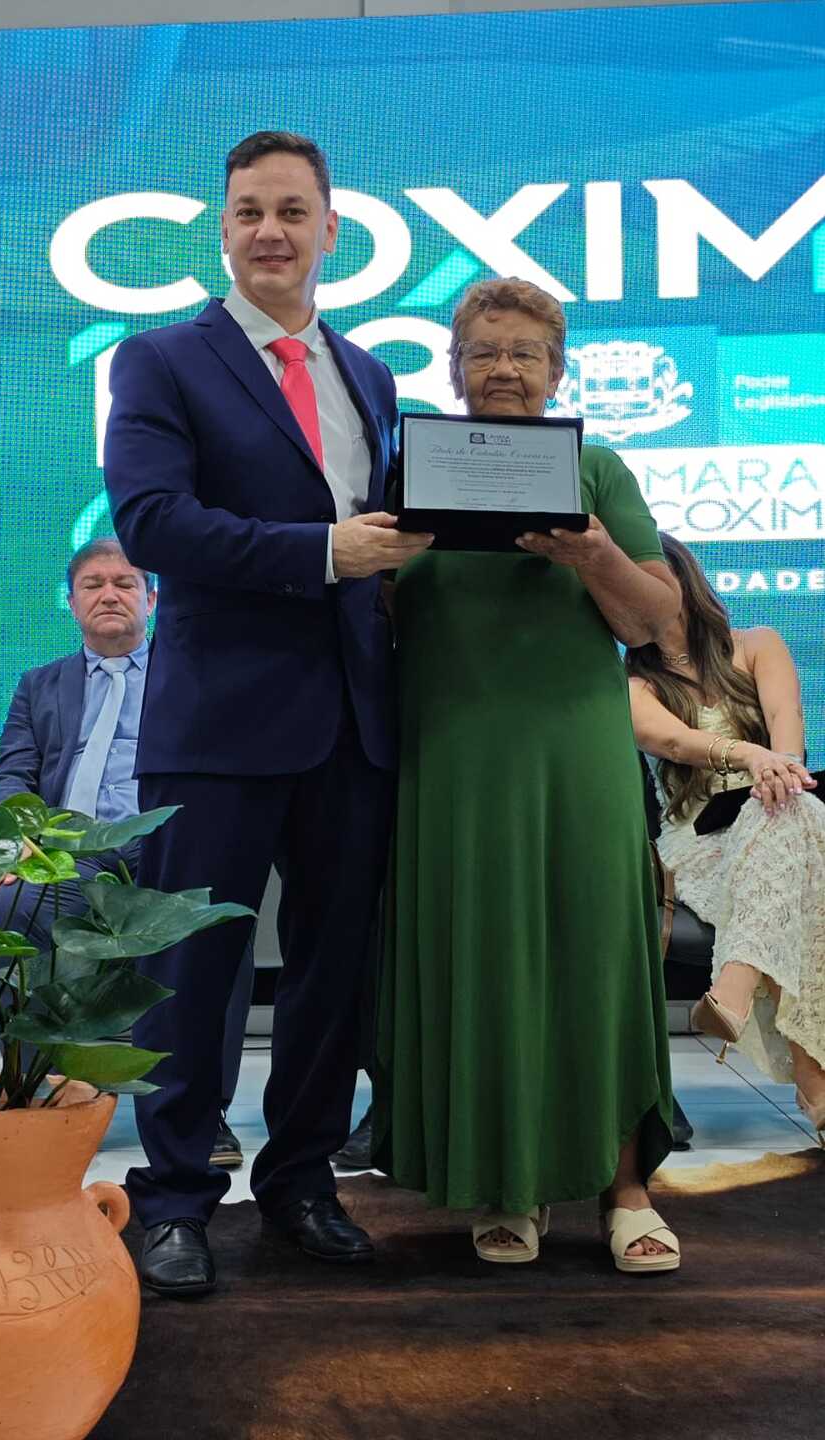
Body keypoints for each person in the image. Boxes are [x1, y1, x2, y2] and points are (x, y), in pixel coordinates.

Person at [104, 130, 432, 1297]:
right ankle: (174, 1200)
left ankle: (300, 1185)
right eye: (250, 211)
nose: (271, 231)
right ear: (224, 228)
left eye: (293, 211)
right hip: (219, 725)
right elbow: (152, 523)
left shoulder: (372, 377)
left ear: (331, 230)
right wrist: (324, 552)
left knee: (330, 978)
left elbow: (389, 536)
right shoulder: (160, 360)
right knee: (195, 975)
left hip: (353, 722)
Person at [374, 277, 684, 1273]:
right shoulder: (403, 470)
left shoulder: (595, 468)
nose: (503, 370)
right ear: (455, 368)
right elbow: (375, 619)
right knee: (484, 962)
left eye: (524, 354)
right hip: (451, 761)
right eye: (484, 352)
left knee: (597, 958)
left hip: (575, 758)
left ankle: (625, 1190)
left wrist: (594, 556)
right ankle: (509, 1186)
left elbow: (654, 621)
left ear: (557, 370)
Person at [0, 536, 252, 1166]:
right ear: (71, 602)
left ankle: (202, 1111)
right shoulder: (39, 684)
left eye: (125, 583)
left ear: (152, 600)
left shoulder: (192, 673)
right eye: (93, 584)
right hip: (68, 855)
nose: (110, 594)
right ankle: (39, 1091)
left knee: (219, 924)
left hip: (167, 848)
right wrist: (18, 836)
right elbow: (14, 773)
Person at [626, 533, 825, 1142]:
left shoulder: (759, 644)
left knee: (787, 812)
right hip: (699, 841)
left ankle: (732, 991)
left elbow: (787, 720)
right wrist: (749, 757)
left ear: (682, 580)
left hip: (777, 813)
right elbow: (672, 741)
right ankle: (816, 1092)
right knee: (795, 843)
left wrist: (778, 769)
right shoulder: (633, 684)